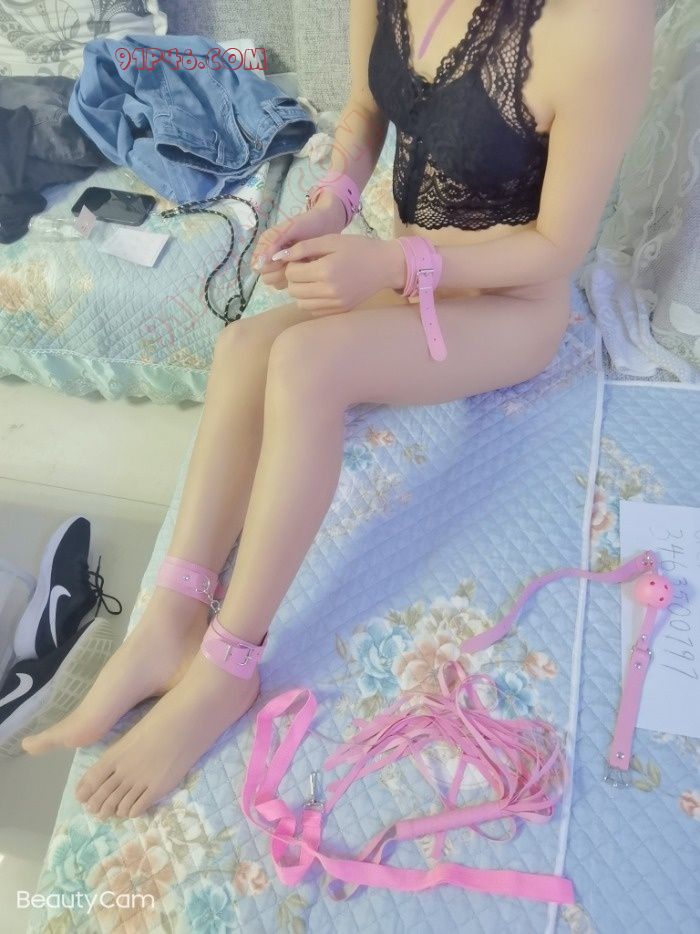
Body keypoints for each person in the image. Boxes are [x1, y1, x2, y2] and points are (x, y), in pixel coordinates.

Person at [23, 0, 655, 819]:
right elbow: (363, 109)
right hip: (405, 270)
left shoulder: (601, 24)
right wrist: (329, 204)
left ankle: (228, 663)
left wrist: (390, 262)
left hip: (510, 305)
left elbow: (555, 247)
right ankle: (170, 623)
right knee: (242, 349)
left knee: (306, 366)